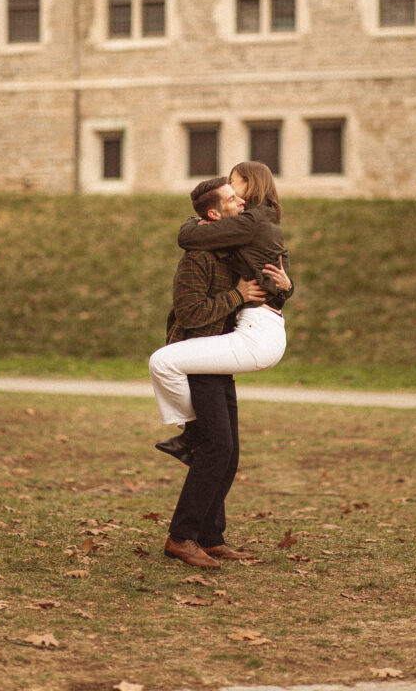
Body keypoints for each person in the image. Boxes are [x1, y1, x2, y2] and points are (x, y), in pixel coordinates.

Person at [149, 161, 292, 462]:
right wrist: (285, 288)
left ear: (250, 184)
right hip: (260, 323)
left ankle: (192, 430)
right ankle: (192, 433)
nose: (231, 187)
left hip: (257, 329)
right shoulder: (262, 221)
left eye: (234, 181)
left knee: (163, 362)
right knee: (222, 449)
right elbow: (278, 267)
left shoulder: (250, 221)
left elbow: (187, 239)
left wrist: (193, 222)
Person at [161, 176, 266, 568]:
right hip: (197, 359)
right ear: (213, 213)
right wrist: (237, 296)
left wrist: (283, 287)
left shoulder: (226, 251)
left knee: (229, 451)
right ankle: (181, 537)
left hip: (223, 358)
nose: (241, 203)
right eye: (232, 199)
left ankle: (210, 536)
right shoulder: (197, 258)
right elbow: (189, 314)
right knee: (216, 448)